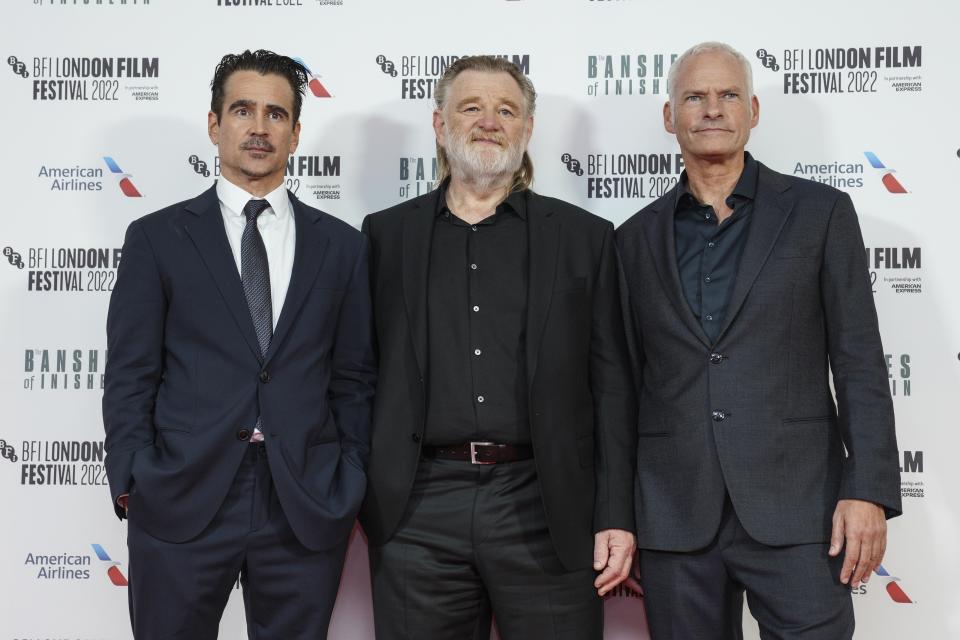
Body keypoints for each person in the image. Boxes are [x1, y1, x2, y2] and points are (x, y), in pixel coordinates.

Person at [616, 42, 902, 639]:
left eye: (727, 96)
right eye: (694, 96)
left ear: (753, 110)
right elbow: (621, 388)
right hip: (675, 514)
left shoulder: (821, 213)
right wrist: (620, 515)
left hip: (801, 509)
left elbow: (859, 362)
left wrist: (868, 491)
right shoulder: (632, 239)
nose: (711, 109)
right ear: (670, 116)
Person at [359, 55, 636, 640]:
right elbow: (359, 374)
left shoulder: (585, 238)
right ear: (439, 124)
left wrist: (615, 514)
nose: (490, 121)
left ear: (528, 129)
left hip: (548, 507)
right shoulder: (384, 236)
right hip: (417, 512)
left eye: (506, 110)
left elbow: (612, 387)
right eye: (471, 108)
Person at [102, 49, 375, 639]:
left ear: (296, 133)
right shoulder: (156, 238)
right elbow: (130, 371)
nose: (259, 127)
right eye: (243, 110)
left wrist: (349, 477)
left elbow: (354, 378)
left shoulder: (342, 247)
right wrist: (131, 475)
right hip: (181, 494)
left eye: (276, 114)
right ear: (214, 123)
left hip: (302, 498)